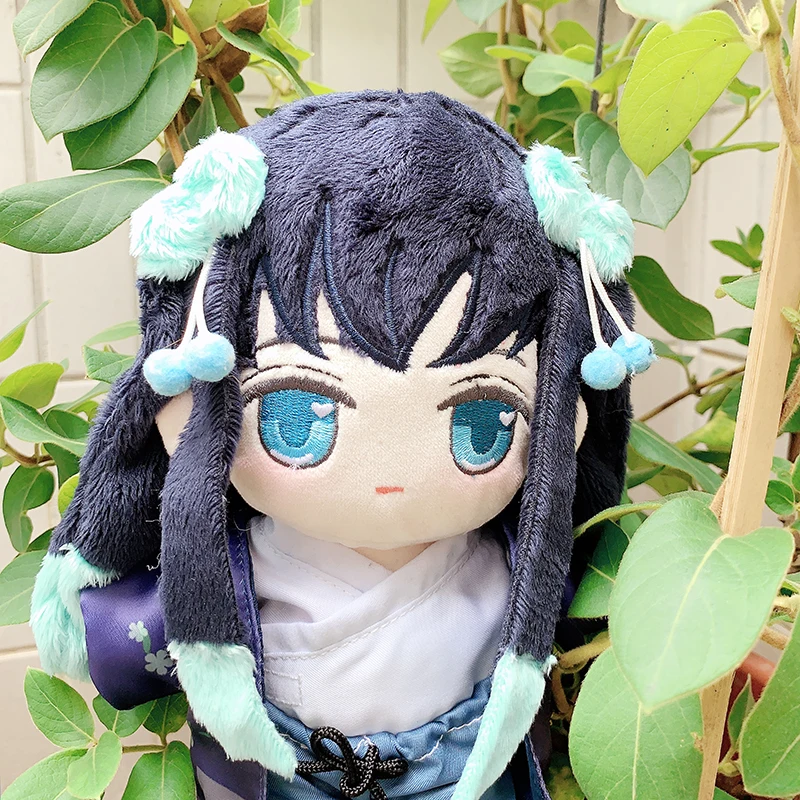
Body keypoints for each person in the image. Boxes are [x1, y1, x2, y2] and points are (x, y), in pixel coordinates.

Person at [30, 90, 651, 800]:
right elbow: (133, 642)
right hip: (286, 774)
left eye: (480, 424)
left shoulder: (512, 561)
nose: (392, 478)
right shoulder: (233, 567)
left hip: (472, 774)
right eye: (298, 416)